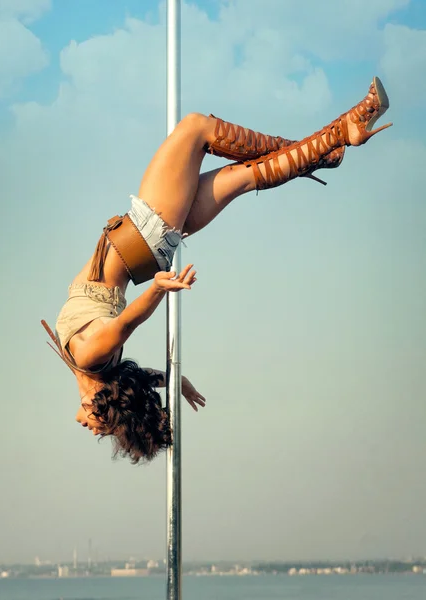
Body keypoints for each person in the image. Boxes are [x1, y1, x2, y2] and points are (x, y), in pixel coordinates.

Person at [42, 76, 392, 464]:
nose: (90, 428)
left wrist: (177, 382)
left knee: (240, 177)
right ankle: (341, 133)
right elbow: (125, 324)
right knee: (196, 128)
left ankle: (331, 147)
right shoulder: (91, 356)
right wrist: (159, 289)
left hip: (151, 245)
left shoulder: (101, 370)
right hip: (144, 234)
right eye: (102, 426)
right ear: (98, 404)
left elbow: (143, 376)